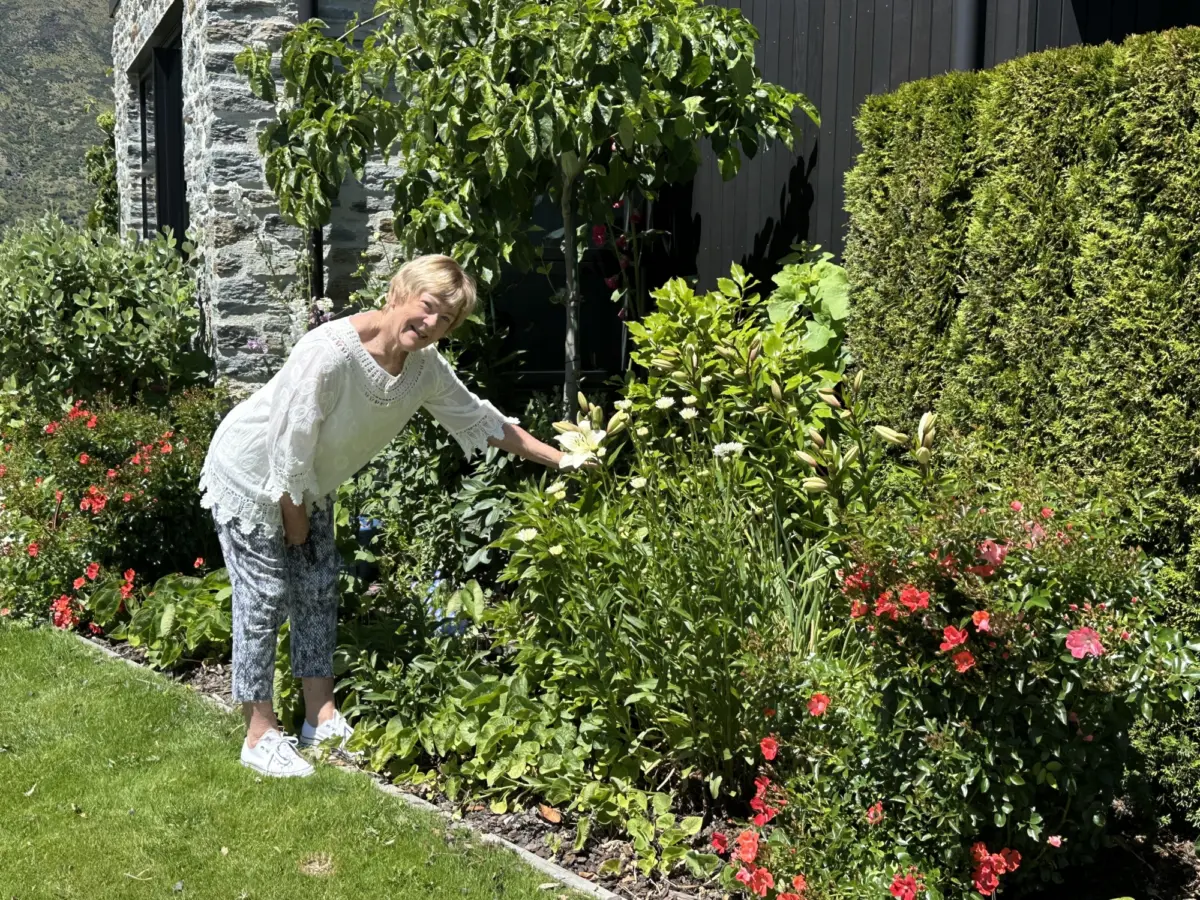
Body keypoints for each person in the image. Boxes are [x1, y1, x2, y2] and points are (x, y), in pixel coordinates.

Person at [199, 255, 566, 777]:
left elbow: (480, 418)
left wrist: (561, 459)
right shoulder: (328, 354)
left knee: (318, 588)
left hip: (306, 480)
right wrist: (296, 525)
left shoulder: (423, 367)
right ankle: (260, 735)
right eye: (428, 306)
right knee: (265, 597)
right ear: (399, 292)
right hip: (252, 471)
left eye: (447, 319)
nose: (432, 324)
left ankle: (320, 717)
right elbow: (289, 450)